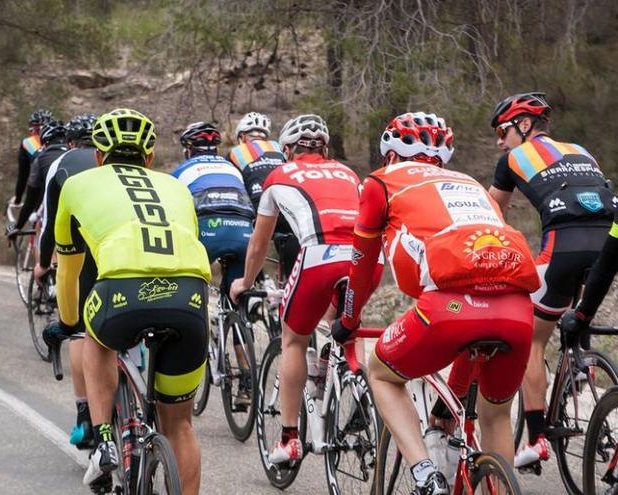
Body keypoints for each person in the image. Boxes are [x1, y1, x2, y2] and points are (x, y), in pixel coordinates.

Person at [332, 112, 539, 494]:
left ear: (389, 156)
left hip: (449, 307)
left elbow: (361, 266)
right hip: (517, 308)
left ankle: (425, 475)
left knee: (381, 372)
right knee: (495, 416)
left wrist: (349, 318)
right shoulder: (471, 184)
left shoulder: (380, 181)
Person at [52, 109, 210, 494]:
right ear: (150, 158)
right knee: (180, 425)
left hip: (121, 292)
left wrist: (70, 320)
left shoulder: (77, 183)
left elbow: (69, 271)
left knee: (94, 336)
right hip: (189, 296)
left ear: (98, 156)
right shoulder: (176, 187)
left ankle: (104, 438)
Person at [228, 114, 374, 463]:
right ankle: (352, 391)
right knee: (348, 325)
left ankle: (289, 438)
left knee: (294, 338)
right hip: (365, 258)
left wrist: (245, 283)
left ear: (288, 149)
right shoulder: (349, 173)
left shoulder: (278, 175)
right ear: (324, 148)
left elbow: (259, 244)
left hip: (319, 254)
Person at [487, 92, 615, 469]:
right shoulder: (581, 149)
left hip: (562, 246)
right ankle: (581, 364)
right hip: (609, 242)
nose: (499, 140)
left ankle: (537, 438)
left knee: (531, 339)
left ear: (523, 126)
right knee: (575, 305)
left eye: (502, 131)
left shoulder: (512, 158)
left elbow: (493, 213)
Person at [173, 121, 256, 406]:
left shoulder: (182, 172)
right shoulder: (232, 168)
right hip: (245, 230)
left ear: (188, 151)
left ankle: (194, 349)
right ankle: (246, 379)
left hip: (208, 229)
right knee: (236, 302)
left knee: (188, 289)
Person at [35, 113, 98, 449]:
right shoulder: (115, 161)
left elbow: (49, 224)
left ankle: (84, 415)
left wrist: (43, 265)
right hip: (124, 246)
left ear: (71, 141)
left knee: (77, 330)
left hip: (78, 247)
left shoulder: (60, 161)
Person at [225, 111, 298, 277]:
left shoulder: (235, 152)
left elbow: (233, 188)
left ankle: (255, 284)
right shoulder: (280, 148)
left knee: (250, 247)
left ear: (243, 136)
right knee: (291, 262)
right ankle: (290, 283)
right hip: (289, 208)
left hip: (259, 211)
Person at [11, 120, 70, 232]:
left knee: (45, 229)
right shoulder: (74, 153)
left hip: (46, 195)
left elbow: (28, 193)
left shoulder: (36, 151)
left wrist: (18, 227)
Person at [11, 109, 53, 208]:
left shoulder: (27, 142)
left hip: (39, 187)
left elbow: (23, 176)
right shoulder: (63, 141)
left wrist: (18, 198)